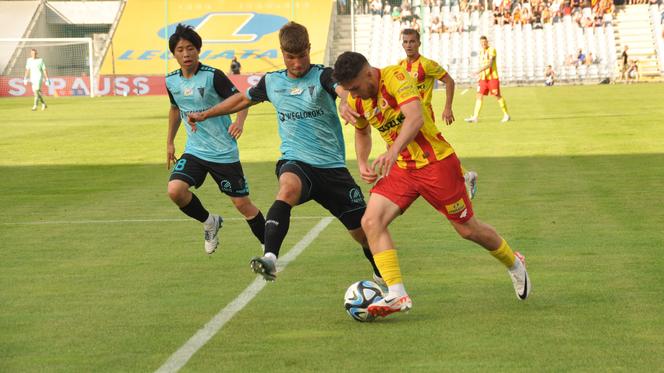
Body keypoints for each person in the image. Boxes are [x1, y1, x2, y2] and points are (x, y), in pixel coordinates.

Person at [333, 51, 531, 318]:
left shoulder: (394, 76)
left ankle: (513, 262)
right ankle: (396, 293)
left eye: (356, 88)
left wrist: (391, 152)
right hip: (402, 169)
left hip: (436, 164)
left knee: (468, 230)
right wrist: (362, 162)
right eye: (349, 91)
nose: (354, 95)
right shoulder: (357, 100)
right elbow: (362, 130)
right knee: (371, 222)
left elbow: (415, 118)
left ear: (368, 73)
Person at [187, 22, 384, 285]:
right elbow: (242, 100)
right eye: (291, 57)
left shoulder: (322, 74)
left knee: (363, 233)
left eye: (302, 55)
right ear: (282, 53)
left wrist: (346, 102)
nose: (298, 63)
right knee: (287, 187)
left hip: (332, 169)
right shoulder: (272, 81)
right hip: (296, 161)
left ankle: (382, 274)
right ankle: (269, 257)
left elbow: (338, 87)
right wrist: (206, 114)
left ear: (309, 50)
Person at [165, 24, 266, 255]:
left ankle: (268, 248)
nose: (186, 54)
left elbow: (242, 100)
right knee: (175, 190)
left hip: (223, 151)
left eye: (190, 48)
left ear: (198, 50)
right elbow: (174, 109)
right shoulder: (171, 81)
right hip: (195, 150)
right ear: (174, 54)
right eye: (180, 50)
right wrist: (170, 142)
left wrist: (239, 122)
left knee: (242, 205)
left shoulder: (213, 76)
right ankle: (209, 222)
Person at [398, 28, 478, 200]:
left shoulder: (427, 64)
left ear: (419, 43)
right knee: (413, 148)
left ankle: (463, 176)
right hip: (407, 116)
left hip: (423, 116)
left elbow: (449, 80)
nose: (409, 45)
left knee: (436, 149)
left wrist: (448, 107)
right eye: (405, 41)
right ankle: (461, 176)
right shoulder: (400, 66)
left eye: (412, 41)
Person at [464, 36, 511, 123]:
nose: (483, 44)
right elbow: (483, 64)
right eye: (481, 43)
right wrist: (480, 75)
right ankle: (475, 117)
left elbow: (490, 64)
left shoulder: (492, 50)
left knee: (497, 96)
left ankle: (506, 115)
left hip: (492, 78)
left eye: (484, 42)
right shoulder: (481, 52)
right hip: (483, 79)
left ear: (487, 42)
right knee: (479, 95)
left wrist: (477, 71)